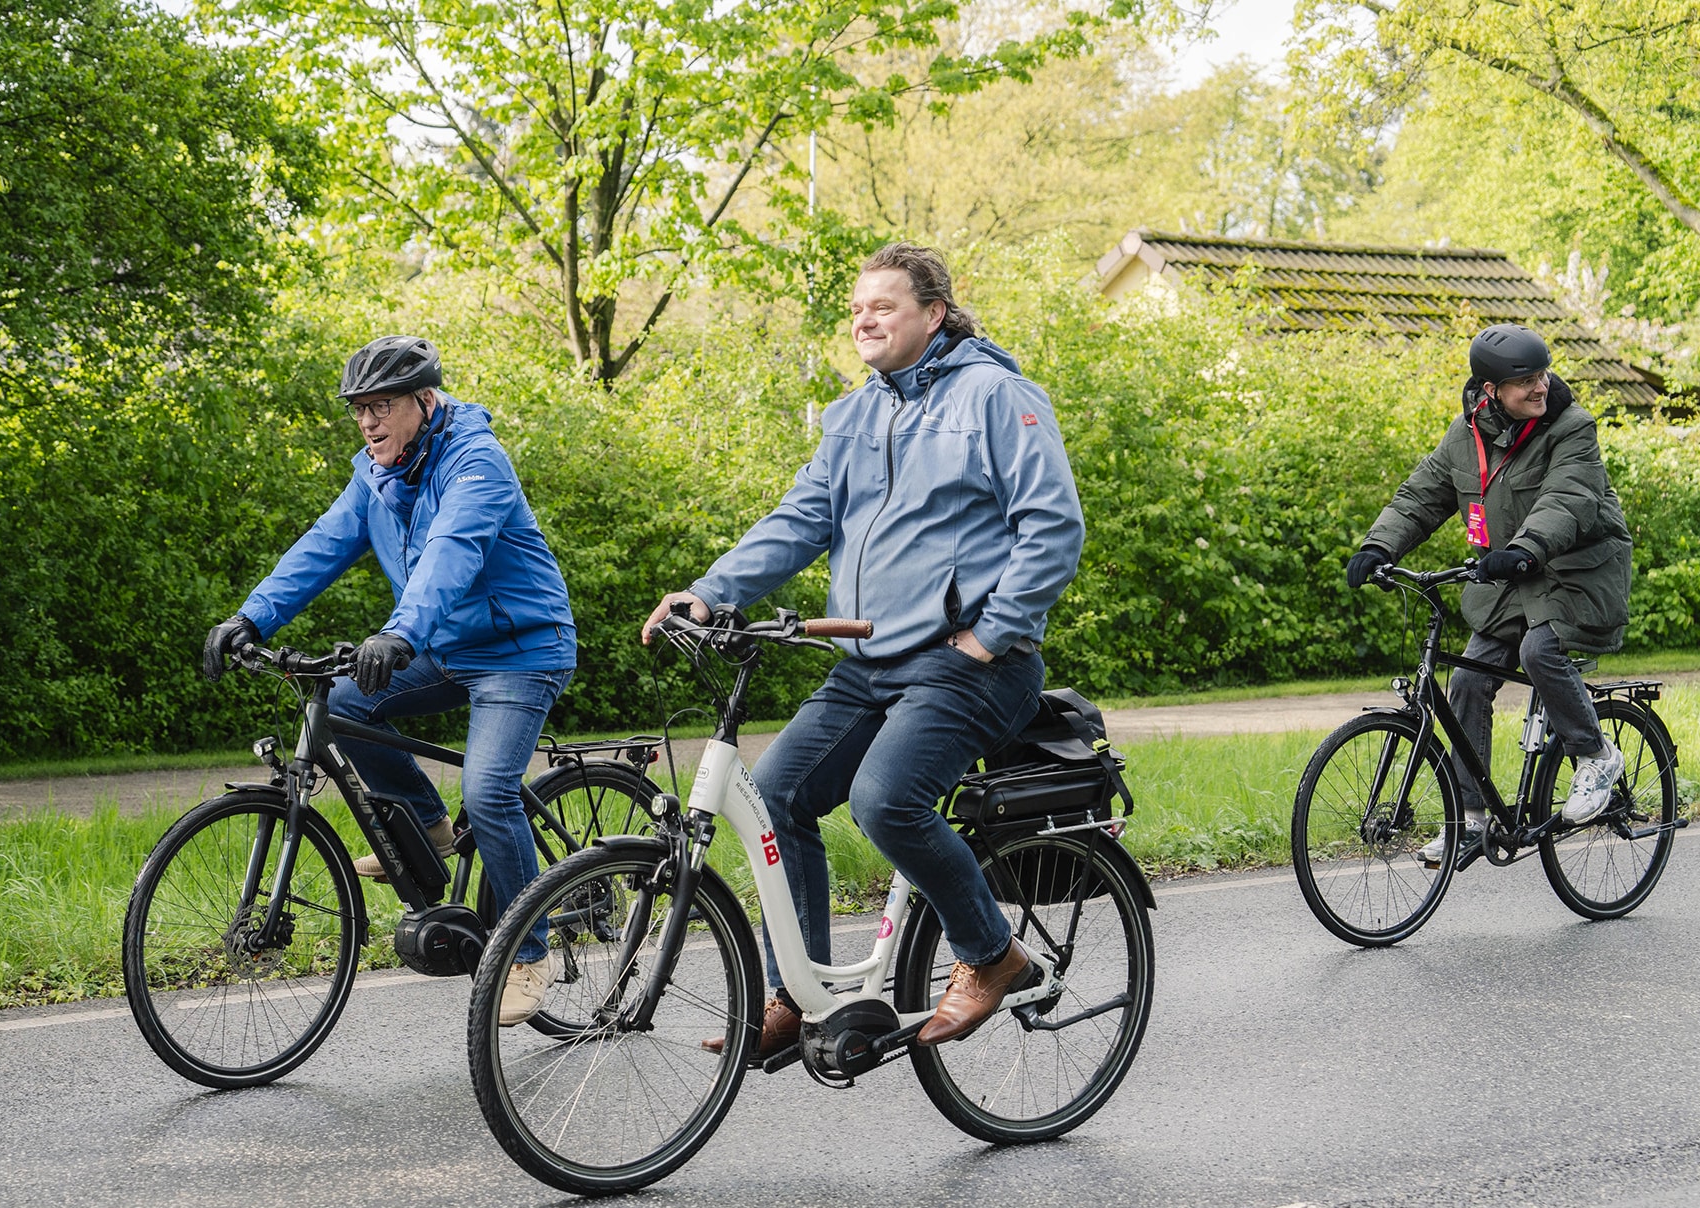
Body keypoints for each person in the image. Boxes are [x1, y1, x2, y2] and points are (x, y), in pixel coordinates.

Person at [643, 242, 1086, 1054]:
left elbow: (1053, 526)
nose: (864, 318)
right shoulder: (854, 415)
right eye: (856, 307)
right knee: (775, 795)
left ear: (934, 314)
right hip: (868, 661)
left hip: (973, 665)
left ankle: (990, 954)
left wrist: (991, 634)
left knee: (886, 799)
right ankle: (799, 991)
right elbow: (801, 520)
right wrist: (711, 591)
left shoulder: (993, 395)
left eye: (883, 304)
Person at [202, 335, 577, 1023]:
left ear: (424, 400)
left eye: (382, 406)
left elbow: (449, 555)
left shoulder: (475, 462)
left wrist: (401, 633)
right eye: (359, 410)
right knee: (348, 701)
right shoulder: (376, 474)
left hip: (521, 649)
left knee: (489, 790)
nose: (369, 422)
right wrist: (251, 615)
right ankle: (430, 829)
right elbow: (321, 545)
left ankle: (530, 951)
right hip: (445, 642)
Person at [1347, 323, 1633, 863]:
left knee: (1538, 650)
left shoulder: (1571, 428)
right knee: (1469, 679)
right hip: (1515, 575)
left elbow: (1567, 501)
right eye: (1525, 380)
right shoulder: (1465, 434)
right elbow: (1421, 496)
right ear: (1491, 389)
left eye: (1543, 374)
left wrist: (1526, 547)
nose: (1540, 386)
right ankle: (1471, 818)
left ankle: (1596, 755)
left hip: (1578, 568)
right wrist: (1378, 547)